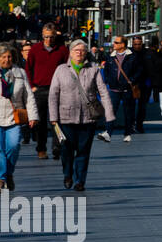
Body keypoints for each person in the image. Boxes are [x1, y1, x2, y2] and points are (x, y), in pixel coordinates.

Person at [49, 40, 114, 191]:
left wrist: (109, 115)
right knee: (67, 150)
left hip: (88, 118)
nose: (79, 52)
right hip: (66, 117)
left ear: (86, 53)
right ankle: (67, 174)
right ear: (70, 52)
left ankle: (80, 181)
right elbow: (53, 95)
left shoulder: (93, 69)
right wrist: (53, 117)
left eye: (82, 50)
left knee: (84, 151)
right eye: (76, 50)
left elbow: (103, 92)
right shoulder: (61, 70)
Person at [0, 43, 39, 193]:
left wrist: (33, 116)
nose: (6, 59)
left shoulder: (20, 73)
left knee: (14, 147)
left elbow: (28, 97)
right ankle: (0, 179)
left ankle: (8, 173)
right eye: (3, 57)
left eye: (9, 56)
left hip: (14, 118)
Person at [26, 23, 68, 160]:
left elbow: (67, 69)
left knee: (57, 121)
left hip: (58, 89)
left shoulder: (62, 50)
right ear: (42, 36)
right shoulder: (35, 49)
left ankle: (57, 147)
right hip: (40, 89)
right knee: (40, 122)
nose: (48, 40)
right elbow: (28, 69)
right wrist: (32, 86)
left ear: (56, 35)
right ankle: (41, 148)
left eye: (51, 37)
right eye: (46, 37)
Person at [99, 35, 144, 144]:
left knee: (128, 112)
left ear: (123, 45)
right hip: (114, 89)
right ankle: (108, 133)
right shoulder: (111, 56)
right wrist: (109, 81)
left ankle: (127, 133)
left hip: (127, 89)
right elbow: (107, 71)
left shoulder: (133, 56)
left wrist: (131, 81)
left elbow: (139, 71)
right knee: (111, 111)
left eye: (116, 42)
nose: (113, 44)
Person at [130, 37, 150, 133]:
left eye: (139, 44)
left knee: (142, 106)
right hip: (132, 83)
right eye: (135, 44)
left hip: (143, 83)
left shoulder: (146, 53)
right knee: (131, 106)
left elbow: (150, 67)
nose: (137, 46)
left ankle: (139, 124)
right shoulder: (129, 53)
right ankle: (132, 124)